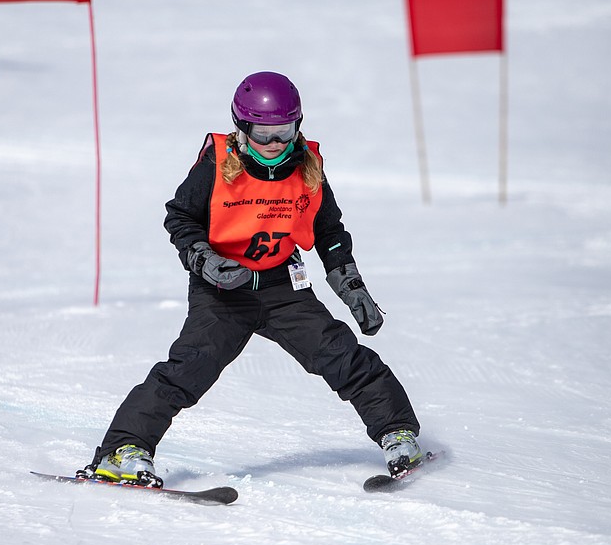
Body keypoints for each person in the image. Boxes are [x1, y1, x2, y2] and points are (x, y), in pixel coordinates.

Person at [77, 71, 422, 487]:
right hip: (223, 290)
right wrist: (203, 259)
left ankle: (397, 433)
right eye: (263, 133)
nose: (276, 144)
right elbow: (180, 217)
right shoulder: (216, 166)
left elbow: (329, 232)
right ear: (241, 129)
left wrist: (352, 287)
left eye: (285, 131)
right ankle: (122, 452)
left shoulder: (308, 167)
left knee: (342, 355)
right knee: (189, 368)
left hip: (283, 288)